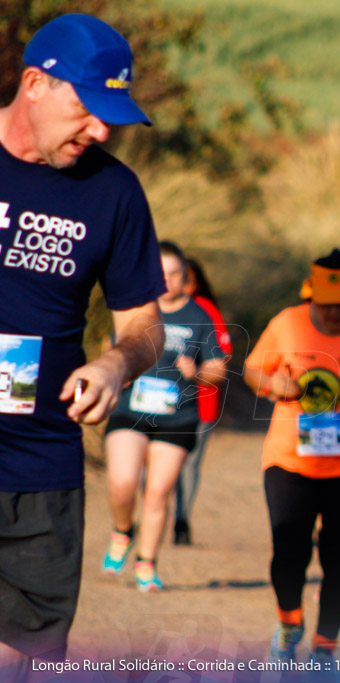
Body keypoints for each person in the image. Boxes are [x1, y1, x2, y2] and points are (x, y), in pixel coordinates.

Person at [0, 13, 166, 672]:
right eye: (87, 109)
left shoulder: (113, 192)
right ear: (35, 82)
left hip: (41, 469)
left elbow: (144, 326)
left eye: (111, 115)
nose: (100, 131)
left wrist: (115, 362)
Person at [244, 249, 340, 665]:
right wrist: (273, 383)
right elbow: (253, 370)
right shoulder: (287, 323)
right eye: (323, 307)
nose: (332, 316)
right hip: (290, 460)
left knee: (339, 555)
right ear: (311, 297)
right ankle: (289, 622)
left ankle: (325, 645)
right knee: (289, 548)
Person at [102, 241, 228, 590]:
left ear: (185, 277)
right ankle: (123, 530)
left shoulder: (199, 316)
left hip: (177, 417)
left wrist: (198, 372)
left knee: (158, 493)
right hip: (130, 410)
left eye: (175, 274)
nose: (168, 280)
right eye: (161, 273)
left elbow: (219, 369)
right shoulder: (134, 309)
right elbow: (111, 350)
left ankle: (146, 563)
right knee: (123, 482)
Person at [173, 257, 233, 546]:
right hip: (154, 404)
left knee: (190, 464)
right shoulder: (153, 307)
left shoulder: (205, 311)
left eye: (186, 278)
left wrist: (198, 369)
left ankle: (181, 520)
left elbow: (224, 356)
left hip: (201, 401)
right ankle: (157, 512)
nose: (180, 284)